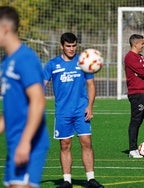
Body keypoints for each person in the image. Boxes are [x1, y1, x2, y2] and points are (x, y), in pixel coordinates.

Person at [43, 33, 103, 188]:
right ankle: (67, 181)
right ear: (61, 46)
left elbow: (90, 85)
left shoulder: (84, 62)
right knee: (65, 144)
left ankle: (91, 179)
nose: (71, 49)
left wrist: (89, 106)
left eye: (74, 45)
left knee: (86, 142)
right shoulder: (52, 64)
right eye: (68, 46)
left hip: (81, 110)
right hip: (62, 112)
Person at [0, 6, 50, 188]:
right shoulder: (6, 62)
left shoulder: (25, 58)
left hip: (29, 142)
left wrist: (25, 141)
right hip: (15, 142)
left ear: (4, 28)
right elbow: (13, 110)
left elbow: (38, 100)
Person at [124, 34, 144, 158]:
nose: (143, 45)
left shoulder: (140, 57)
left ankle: (134, 148)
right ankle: (132, 149)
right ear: (135, 44)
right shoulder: (130, 57)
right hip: (136, 93)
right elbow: (143, 71)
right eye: (142, 43)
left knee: (139, 121)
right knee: (135, 120)